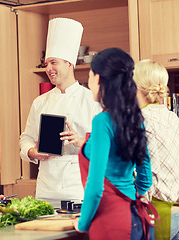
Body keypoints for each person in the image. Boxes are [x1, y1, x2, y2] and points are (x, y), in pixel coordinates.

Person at [74, 48, 156, 239]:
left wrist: (82, 223)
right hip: (138, 218)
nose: (89, 83)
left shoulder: (102, 122)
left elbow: (95, 187)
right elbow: (145, 179)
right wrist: (129, 199)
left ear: (100, 79)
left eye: (90, 76)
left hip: (112, 223)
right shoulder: (135, 118)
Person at [19, 18, 102, 208]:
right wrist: (33, 152)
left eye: (53, 63)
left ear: (69, 64)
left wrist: (81, 140)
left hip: (79, 188)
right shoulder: (40, 102)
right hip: (46, 188)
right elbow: (26, 138)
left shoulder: (91, 100)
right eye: (46, 64)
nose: (48, 69)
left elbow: (107, 144)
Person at [133, 59, 179, 240]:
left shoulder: (141, 119)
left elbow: (148, 170)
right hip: (174, 207)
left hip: (156, 211)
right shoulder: (172, 117)